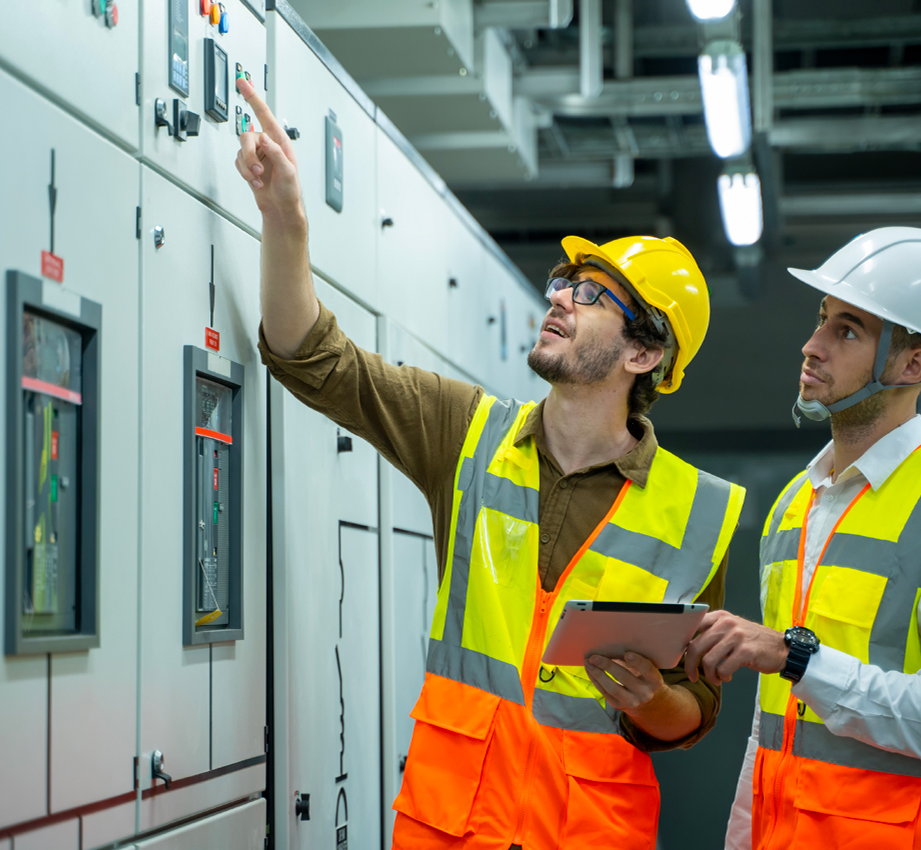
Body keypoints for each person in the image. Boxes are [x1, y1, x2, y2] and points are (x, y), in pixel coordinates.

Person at [232, 78, 744, 849]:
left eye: (594, 293)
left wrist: (648, 702)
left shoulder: (699, 511)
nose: (562, 297)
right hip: (455, 827)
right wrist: (286, 220)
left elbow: (695, 712)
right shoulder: (467, 433)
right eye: (564, 283)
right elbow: (315, 360)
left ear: (643, 353)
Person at [681, 227, 921, 849]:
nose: (811, 346)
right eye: (821, 320)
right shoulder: (794, 503)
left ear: (913, 363)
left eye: (848, 330)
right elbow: (770, 726)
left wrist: (794, 657)